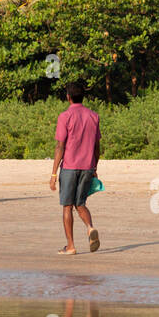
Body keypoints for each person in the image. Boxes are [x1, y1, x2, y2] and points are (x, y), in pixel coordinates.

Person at [49, 82, 101, 255]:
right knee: (81, 204)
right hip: (87, 166)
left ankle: (70, 246)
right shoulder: (94, 116)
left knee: (67, 206)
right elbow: (96, 147)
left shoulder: (65, 116)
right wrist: (94, 167)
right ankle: (89, 227)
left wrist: (54, 173)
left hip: (70, 167)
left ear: (68, 97)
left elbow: (60, 146)